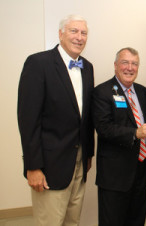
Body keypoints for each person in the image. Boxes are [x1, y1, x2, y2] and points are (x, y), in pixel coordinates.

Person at [17, 15, 94, 226]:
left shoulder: (88, 67)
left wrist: (88, 153)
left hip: (79, 163)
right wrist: (32, 167)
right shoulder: (38, 63)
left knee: (72, 221)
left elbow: (85, 117)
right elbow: (28, 120)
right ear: (60, 33)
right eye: (73, 31)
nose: (79, 37)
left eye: (84, 33)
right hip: (49, 165)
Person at [92, 47, 146, 226]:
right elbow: (104, 128)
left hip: (141, 172)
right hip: (115, 176)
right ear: (115, 65)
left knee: (137, 220)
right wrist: (135, 133)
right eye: (125, 62)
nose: (130, 68)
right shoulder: (102, 92)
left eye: (134, 63)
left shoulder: (144, 92)